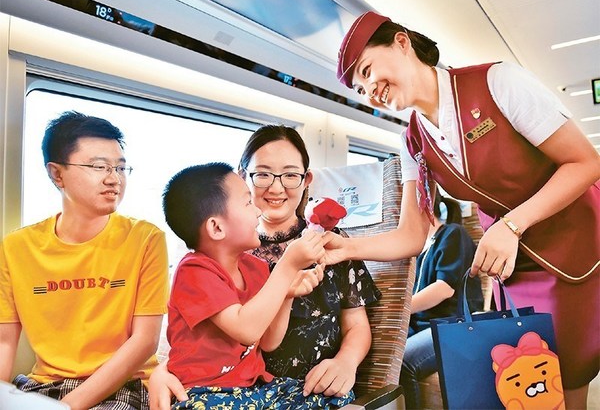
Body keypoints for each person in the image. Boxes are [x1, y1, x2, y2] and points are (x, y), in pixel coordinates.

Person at [328, 11, 600, 408]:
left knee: (568, 374)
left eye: (368, 71)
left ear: (402, 43)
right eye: (360, 88)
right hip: (512, 264)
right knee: (529, 382)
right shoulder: (413, 142)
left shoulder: (496, 82)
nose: (370, 90)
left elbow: (585, 163)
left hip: (575, 245)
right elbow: (411, 235)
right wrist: (345, 248)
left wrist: (511, 224)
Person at [149, 125, 381, 409]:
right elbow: (202, 341)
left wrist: (346, 361)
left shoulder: (330, 244)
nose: (276, 187)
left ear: (306, 180)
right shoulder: (228, 253)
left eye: (290, 175)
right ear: (245, 177)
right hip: (231, 389)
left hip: (290, 388)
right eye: (263, 174)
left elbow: (356, 324)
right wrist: (162, 371)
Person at [0, 111, 169, 409]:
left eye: (121, 168)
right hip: (42, 385)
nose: (113, 179)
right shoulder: (16, 247)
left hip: (121, 385)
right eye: (99, 167)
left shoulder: (145, 238)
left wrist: (67, 407)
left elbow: (144, 343)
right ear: (57, 174)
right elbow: (4, 342)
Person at [400, 190, 482, 409]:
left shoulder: (453, 234)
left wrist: (401, 312)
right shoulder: (416, 250)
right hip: (426, 328)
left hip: (456, 325)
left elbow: (443, 289)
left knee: (404, 362)